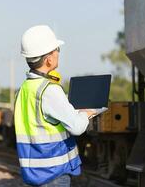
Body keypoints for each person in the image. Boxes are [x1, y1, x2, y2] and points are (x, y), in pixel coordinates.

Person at [14, 25, 96, 186]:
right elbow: (77, 127)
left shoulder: (24, 88)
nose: (59, 52)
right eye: (56, 49)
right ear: (49, 59)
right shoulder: (49, 90)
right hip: (53, 174)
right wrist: (87, 113)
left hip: (33, 172)